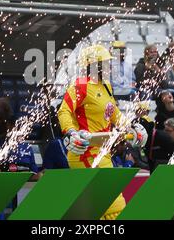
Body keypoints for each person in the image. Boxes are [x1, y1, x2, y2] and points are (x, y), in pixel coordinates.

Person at [58, 44, 148, 220]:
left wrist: (131, 127)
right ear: (94, 66)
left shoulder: (106, 86)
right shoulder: (81, 86)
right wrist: (70, 132)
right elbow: (64, 111)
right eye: (106, 63)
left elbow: (113, 113)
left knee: (106, 208)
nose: (110, 66)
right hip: (85, 154)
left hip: (102, 152)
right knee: (111, 205)